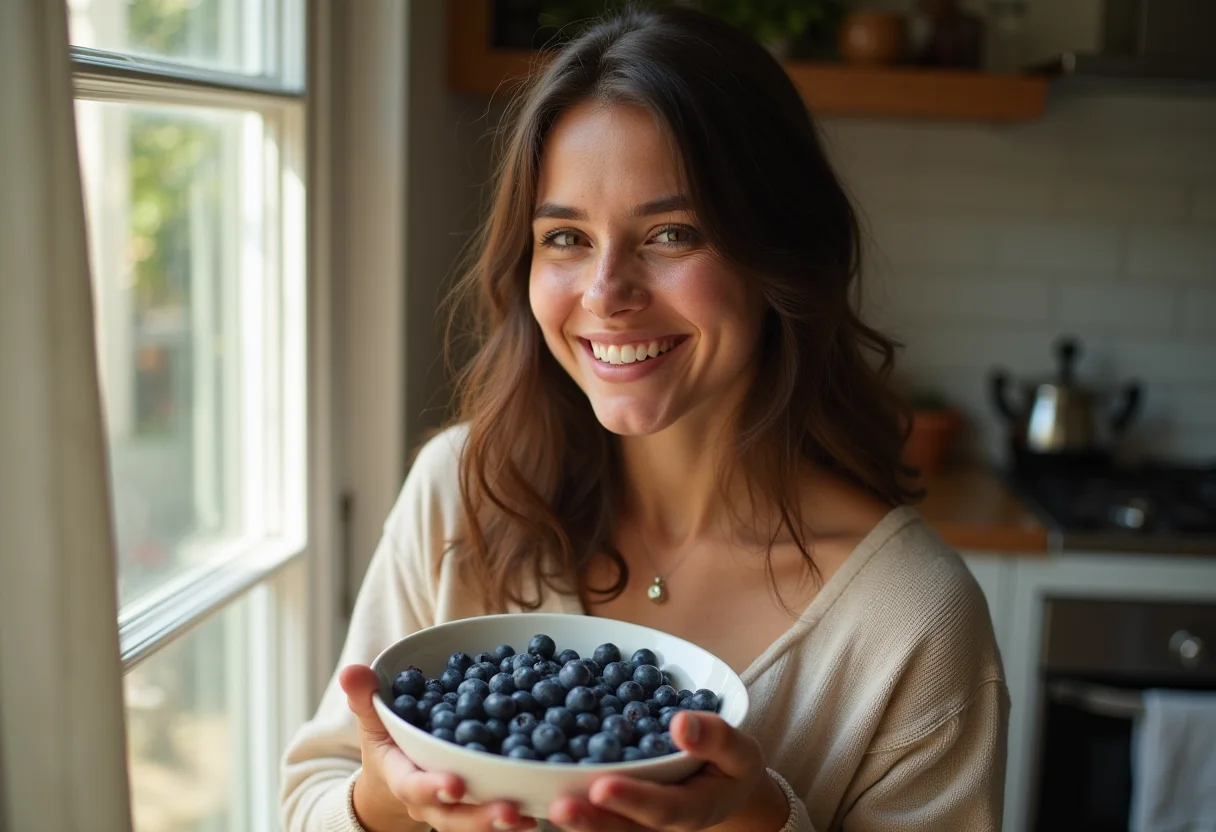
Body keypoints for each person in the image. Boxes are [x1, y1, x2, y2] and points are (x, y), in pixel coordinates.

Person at [281, 6, 1008, 832]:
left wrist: (755, 819)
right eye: (566, 238)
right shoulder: (463, 491)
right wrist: (390, 797)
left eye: (671, 233)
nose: (605, 294)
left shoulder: (913, 621)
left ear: (782, 254)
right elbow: (311, 797)